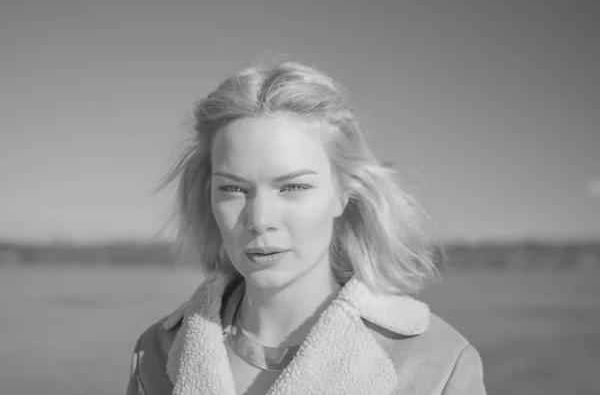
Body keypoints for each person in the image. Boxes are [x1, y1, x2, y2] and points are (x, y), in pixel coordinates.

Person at [126, 61, 486, 395]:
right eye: (233, 189)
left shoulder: (437, 364)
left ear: (343, 194)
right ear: (208, 196)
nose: (260, 219)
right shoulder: (156, 353)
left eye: (293, 187)